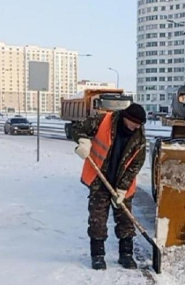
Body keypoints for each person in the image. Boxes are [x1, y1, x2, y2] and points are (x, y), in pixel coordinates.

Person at [72, 103, 147, 270]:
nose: (137, 127)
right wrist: (83, 141)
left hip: (122, 184)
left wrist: (122, 188)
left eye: (140, 125)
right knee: (97, 219)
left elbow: (137, 163)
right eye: (135, 123)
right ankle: (97, 256)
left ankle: (126, 255)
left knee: (125, 220)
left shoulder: (139, 137)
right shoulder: (104, 121)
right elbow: (75, 127)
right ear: (127, 118)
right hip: (99, 179)